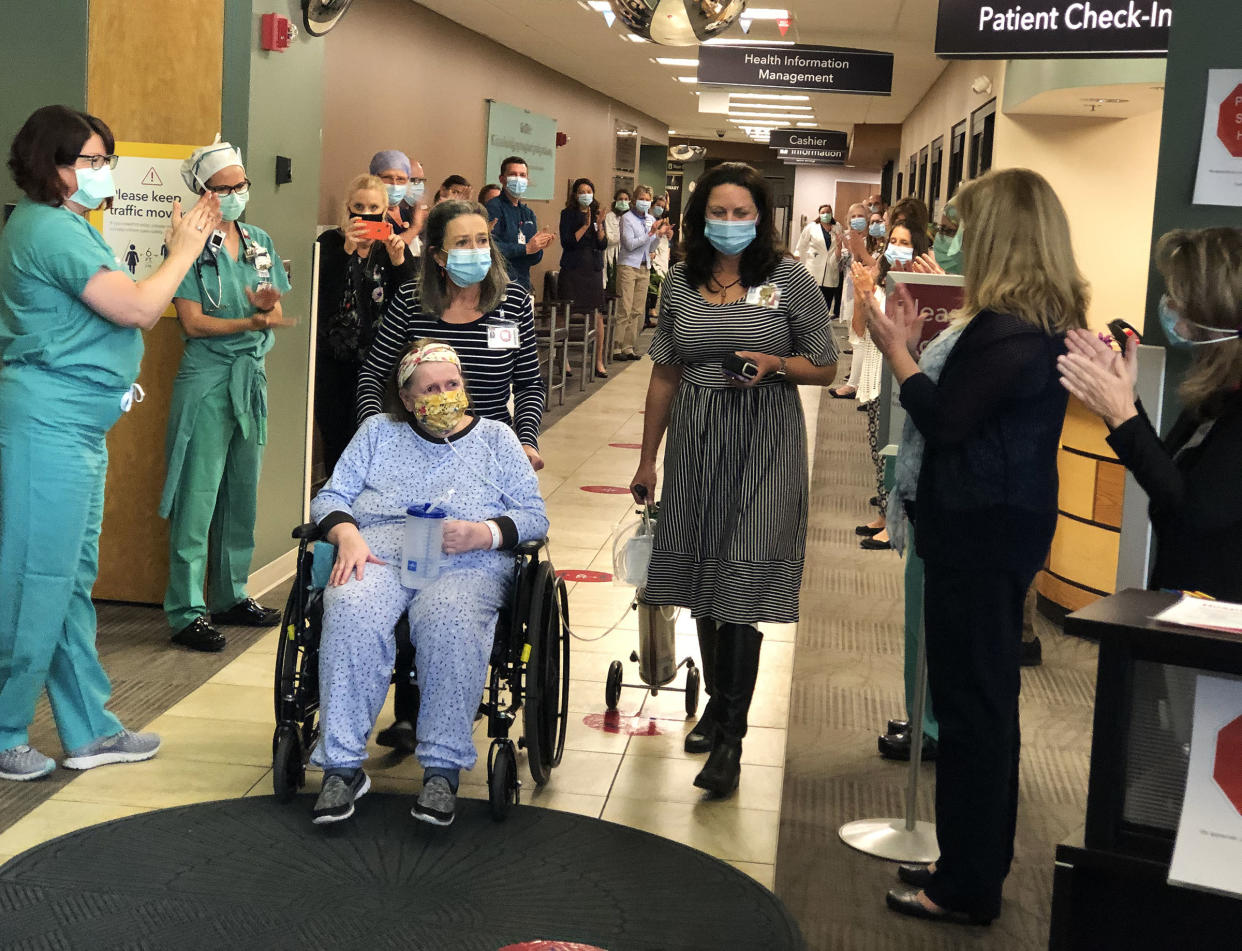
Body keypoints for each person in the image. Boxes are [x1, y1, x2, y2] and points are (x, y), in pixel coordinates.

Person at [861, 168, 1088, 925]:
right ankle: (967, 860)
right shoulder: (1030, 322)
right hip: (998, 527)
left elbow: (946, 418)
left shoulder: (1009, 330)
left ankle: (964, 884)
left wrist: (897, 350)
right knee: (981, 709)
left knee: (974, 714)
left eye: (967, 225)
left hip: (980, 532)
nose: (956, 238)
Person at [0, 105, 219, 780]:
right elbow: (138, 308)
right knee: (33, 580)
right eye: (91, 161)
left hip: (77, 428)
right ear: (52, 164)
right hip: (46, 425)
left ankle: (89, 728)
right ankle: (5, 730)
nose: (103, 173)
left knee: (67, 583)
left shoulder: (68, 225)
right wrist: (182, 249)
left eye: (105, 160)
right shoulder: (47, 228)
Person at [630, 162, 837, 797]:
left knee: (743, 580)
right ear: (699, 218)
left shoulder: (789, 278)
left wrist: (776, 364)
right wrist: (647, 458)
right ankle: (719, 702)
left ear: (761, 218)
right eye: (717, 213)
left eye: (741, 213)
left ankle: (731, 742)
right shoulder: (679, 286)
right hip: (696, 441)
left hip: (765, 442)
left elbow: (825, 365)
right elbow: (664, 374)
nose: (729, 224)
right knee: (701, 575)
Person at [308, 340, 548, 826]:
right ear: (408, 398)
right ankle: (341, 764)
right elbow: (331, 494)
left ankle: (441, 767)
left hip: (467, 558)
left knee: (450, 619)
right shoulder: (378, 432)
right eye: (430, 388)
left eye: (451, 384)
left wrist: (485, 532)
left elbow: (534, 516)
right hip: (380, 548)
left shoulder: (498, 439)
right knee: (349, 606)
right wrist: (346, 533)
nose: (443, 395)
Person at [1058, 227, 1242, 602]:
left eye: (1179, 296)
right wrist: (1123, 404)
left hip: (1218, 622)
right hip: (1184, 597)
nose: (1169, 306)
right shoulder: (1217, 391)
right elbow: (1168, 481)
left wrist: (1124, 415)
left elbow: (1192, 516)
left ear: (1216, 310)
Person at [160, 138, 294, 653]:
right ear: (202, 193)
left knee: (242, 491)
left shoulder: (257, 240)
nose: (236, 194)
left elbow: (272, 303)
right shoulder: (188, 243)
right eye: (224, 188)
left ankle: (232, 594)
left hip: (249, 379)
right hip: (208, 380)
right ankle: (185, 610)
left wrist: (266, 311)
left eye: (242, 185)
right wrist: (250, 319)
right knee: (197, 497)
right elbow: (193, 323)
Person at [313, 174, 418, 476]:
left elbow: (411, 300)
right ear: (348, 207)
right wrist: (346, 249)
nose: (366, 212)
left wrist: (400, 262)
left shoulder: (392, 248)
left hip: (380, 362)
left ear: (384, 211)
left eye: (373, 206)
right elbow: (320, 293)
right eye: (359, 205)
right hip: (334, 363)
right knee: (336, 439)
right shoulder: (331, 242)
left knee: (376, 437)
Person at [856, 219, 931, 553]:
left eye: (905, 241)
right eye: (894, 240)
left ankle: (894, 524)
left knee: (897, 452)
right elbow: (859, 329)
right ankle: (884, 515)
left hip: (902, 377)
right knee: (877, 449)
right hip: (876, 373)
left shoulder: (924, 285)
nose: (897, 246)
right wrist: (864, 294)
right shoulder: (880, 279)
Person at [558, 177, 609, 377]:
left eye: (589, 191)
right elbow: (568, 242)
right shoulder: (568, 214)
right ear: (575, 194)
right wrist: (586, 225)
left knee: (597, 316)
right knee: (565, 313)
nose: (586, 194)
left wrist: (599, 225)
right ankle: (563, 360)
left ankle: (598, 361)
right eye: (582, 191)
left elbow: (602, 244)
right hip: (572, 270)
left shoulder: (597, 214)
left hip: (592, 270)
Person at [615, 185, 671, 360]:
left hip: (645, 266)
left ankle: (628, 346)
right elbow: (630, 244)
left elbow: (651, 246)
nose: (645, 202)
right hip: (628, 266)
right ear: (634, 199)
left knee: (637, 310)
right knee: (625, 308)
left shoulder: (650, 219)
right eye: (642, 198)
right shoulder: (627, 218)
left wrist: (660, 235)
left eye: (648, 200)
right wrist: (651, 233)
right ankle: (616, 347)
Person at [485, 155, 554, 291]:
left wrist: (539, 247)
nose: (518, 179)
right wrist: (525, 249)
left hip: (523, 284)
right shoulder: (493, 207)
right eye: (513, 174)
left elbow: (533, 259)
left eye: (522, 175)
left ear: (527, 180)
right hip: (499, 284)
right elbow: (491, 247)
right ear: (502, 179)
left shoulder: (528, 213)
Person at [828, 202, 871, 400]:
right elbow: (836, 264)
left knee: (860, 339)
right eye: (853, 216)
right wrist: (839, 248)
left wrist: (857, 249)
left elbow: (869, 265)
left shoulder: (872, 240)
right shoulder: (845, 237)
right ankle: (856, 377)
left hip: (865, 294)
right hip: (849, 291)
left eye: (860, 215)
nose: (856, 220)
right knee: (854, 338)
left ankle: (853, 385)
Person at [369, 150, 427, 256]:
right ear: (374, 178)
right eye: (387, 177)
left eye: (401, 179)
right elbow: (385, 251)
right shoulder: (370, 213)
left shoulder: (406, 214)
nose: (395, 184)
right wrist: (415, 228)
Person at [794, 204, 842, 314]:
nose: (826, 214)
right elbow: (801, 246)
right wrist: (797, 263)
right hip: (814, 267)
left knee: (827, 302)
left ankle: (823, 323)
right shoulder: (811, 227)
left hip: (831, 268)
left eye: (828, 212)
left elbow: (839, 246)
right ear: (819, 215)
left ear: (832, 213)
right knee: (812, 301)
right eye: (823, 212)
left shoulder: (837, 227)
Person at [603, 188, 630, 292]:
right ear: (615, 201)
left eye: (626, 199)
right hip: (612, 255)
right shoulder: (610, 217)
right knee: (612, 285)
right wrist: (625, 235)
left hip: (628, 257)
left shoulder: (631, 217)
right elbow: (609, 239)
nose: (623, 201)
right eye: (620, 199)